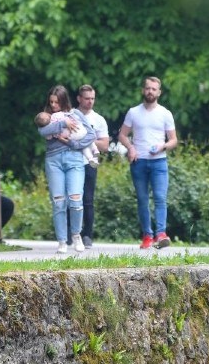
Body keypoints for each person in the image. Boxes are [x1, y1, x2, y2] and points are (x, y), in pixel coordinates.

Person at [117, 76, 177, 250]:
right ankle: (147, 236)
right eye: (148, 88)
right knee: (143, 199)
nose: (150, 91)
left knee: (160, 198)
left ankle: (161, 234)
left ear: (159, 92)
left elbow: (173, 140)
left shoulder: (165, 113)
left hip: (159, 162)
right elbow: (122, 135)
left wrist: (163, 146)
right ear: (143, 90)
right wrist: (130, 147)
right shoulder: (133, 112)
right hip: (139, 162)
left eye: (154, 89)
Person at [36, 85, 96, 253]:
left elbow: (91, 134)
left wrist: (73, 143)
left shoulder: (75, 114)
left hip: (74, 158)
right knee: (59, 202)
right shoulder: (47, 116)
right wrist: (63, 123)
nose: (54, 105)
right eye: (51, 102)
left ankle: (76, 234)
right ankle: (62, 241)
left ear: (63, 101)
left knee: (76, 199)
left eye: (57, 102)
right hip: (53, 160)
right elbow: (43, 131)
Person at [75, 84, 111, 249]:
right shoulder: (71, 116)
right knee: (73, 198)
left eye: (92, 99)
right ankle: (72, 233)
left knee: (88, 200)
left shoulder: (99, 120)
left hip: (90, 163)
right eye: (87, 98)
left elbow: (104, 145)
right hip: (73, 161)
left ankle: (87, 234)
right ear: (79, 99)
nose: (90, 102)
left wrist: (83, 140)